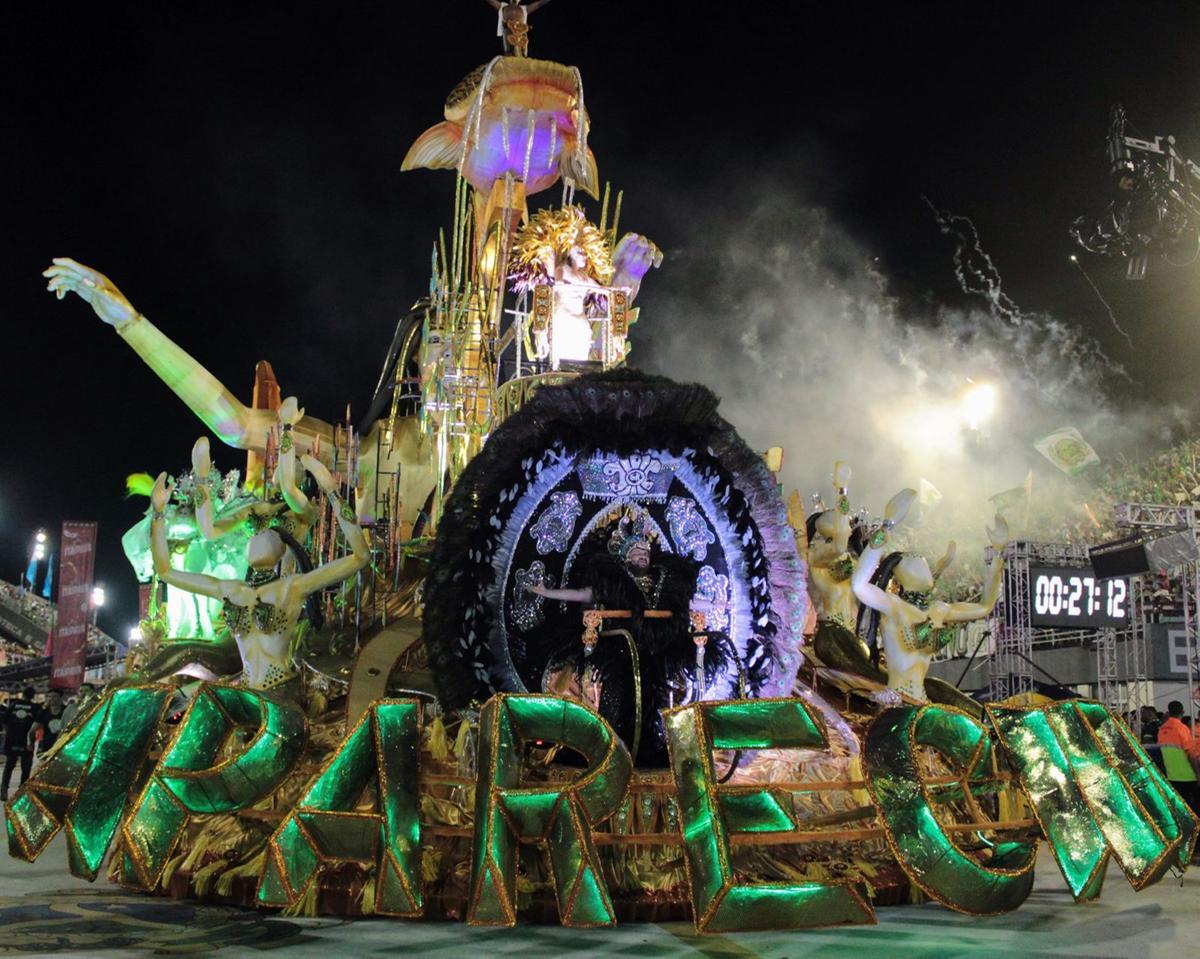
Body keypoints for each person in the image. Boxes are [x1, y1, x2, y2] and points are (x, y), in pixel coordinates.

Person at [1157, 700, 1200, 814]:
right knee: (1194, 808)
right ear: (1183, 711)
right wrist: (1198, 774)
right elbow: (1191, 753)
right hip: (1188, 775)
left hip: (1172, 775)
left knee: (1180, 809)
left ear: (1169, 712)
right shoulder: (1182, 728)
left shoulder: (1162, 729)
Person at [1, 686, 39, 800]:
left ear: (22, 694)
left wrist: (8, 734)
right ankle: (21, 793)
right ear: (33, 696)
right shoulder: (35, 708)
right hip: (27, 741)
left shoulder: (13, 705)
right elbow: (37, 725)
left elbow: (5, 722)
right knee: (25, 768)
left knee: (9, 766)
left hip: (11, 740)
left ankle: (3, 790)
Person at [32, 690, 65, 760]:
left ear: (61, 698)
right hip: (46, 745)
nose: (51, 698)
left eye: (54, 696)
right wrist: (29, 741)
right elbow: (33, 729)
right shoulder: (43, 712)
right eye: (49, 696)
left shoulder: (66, 711)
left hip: (63, 745)